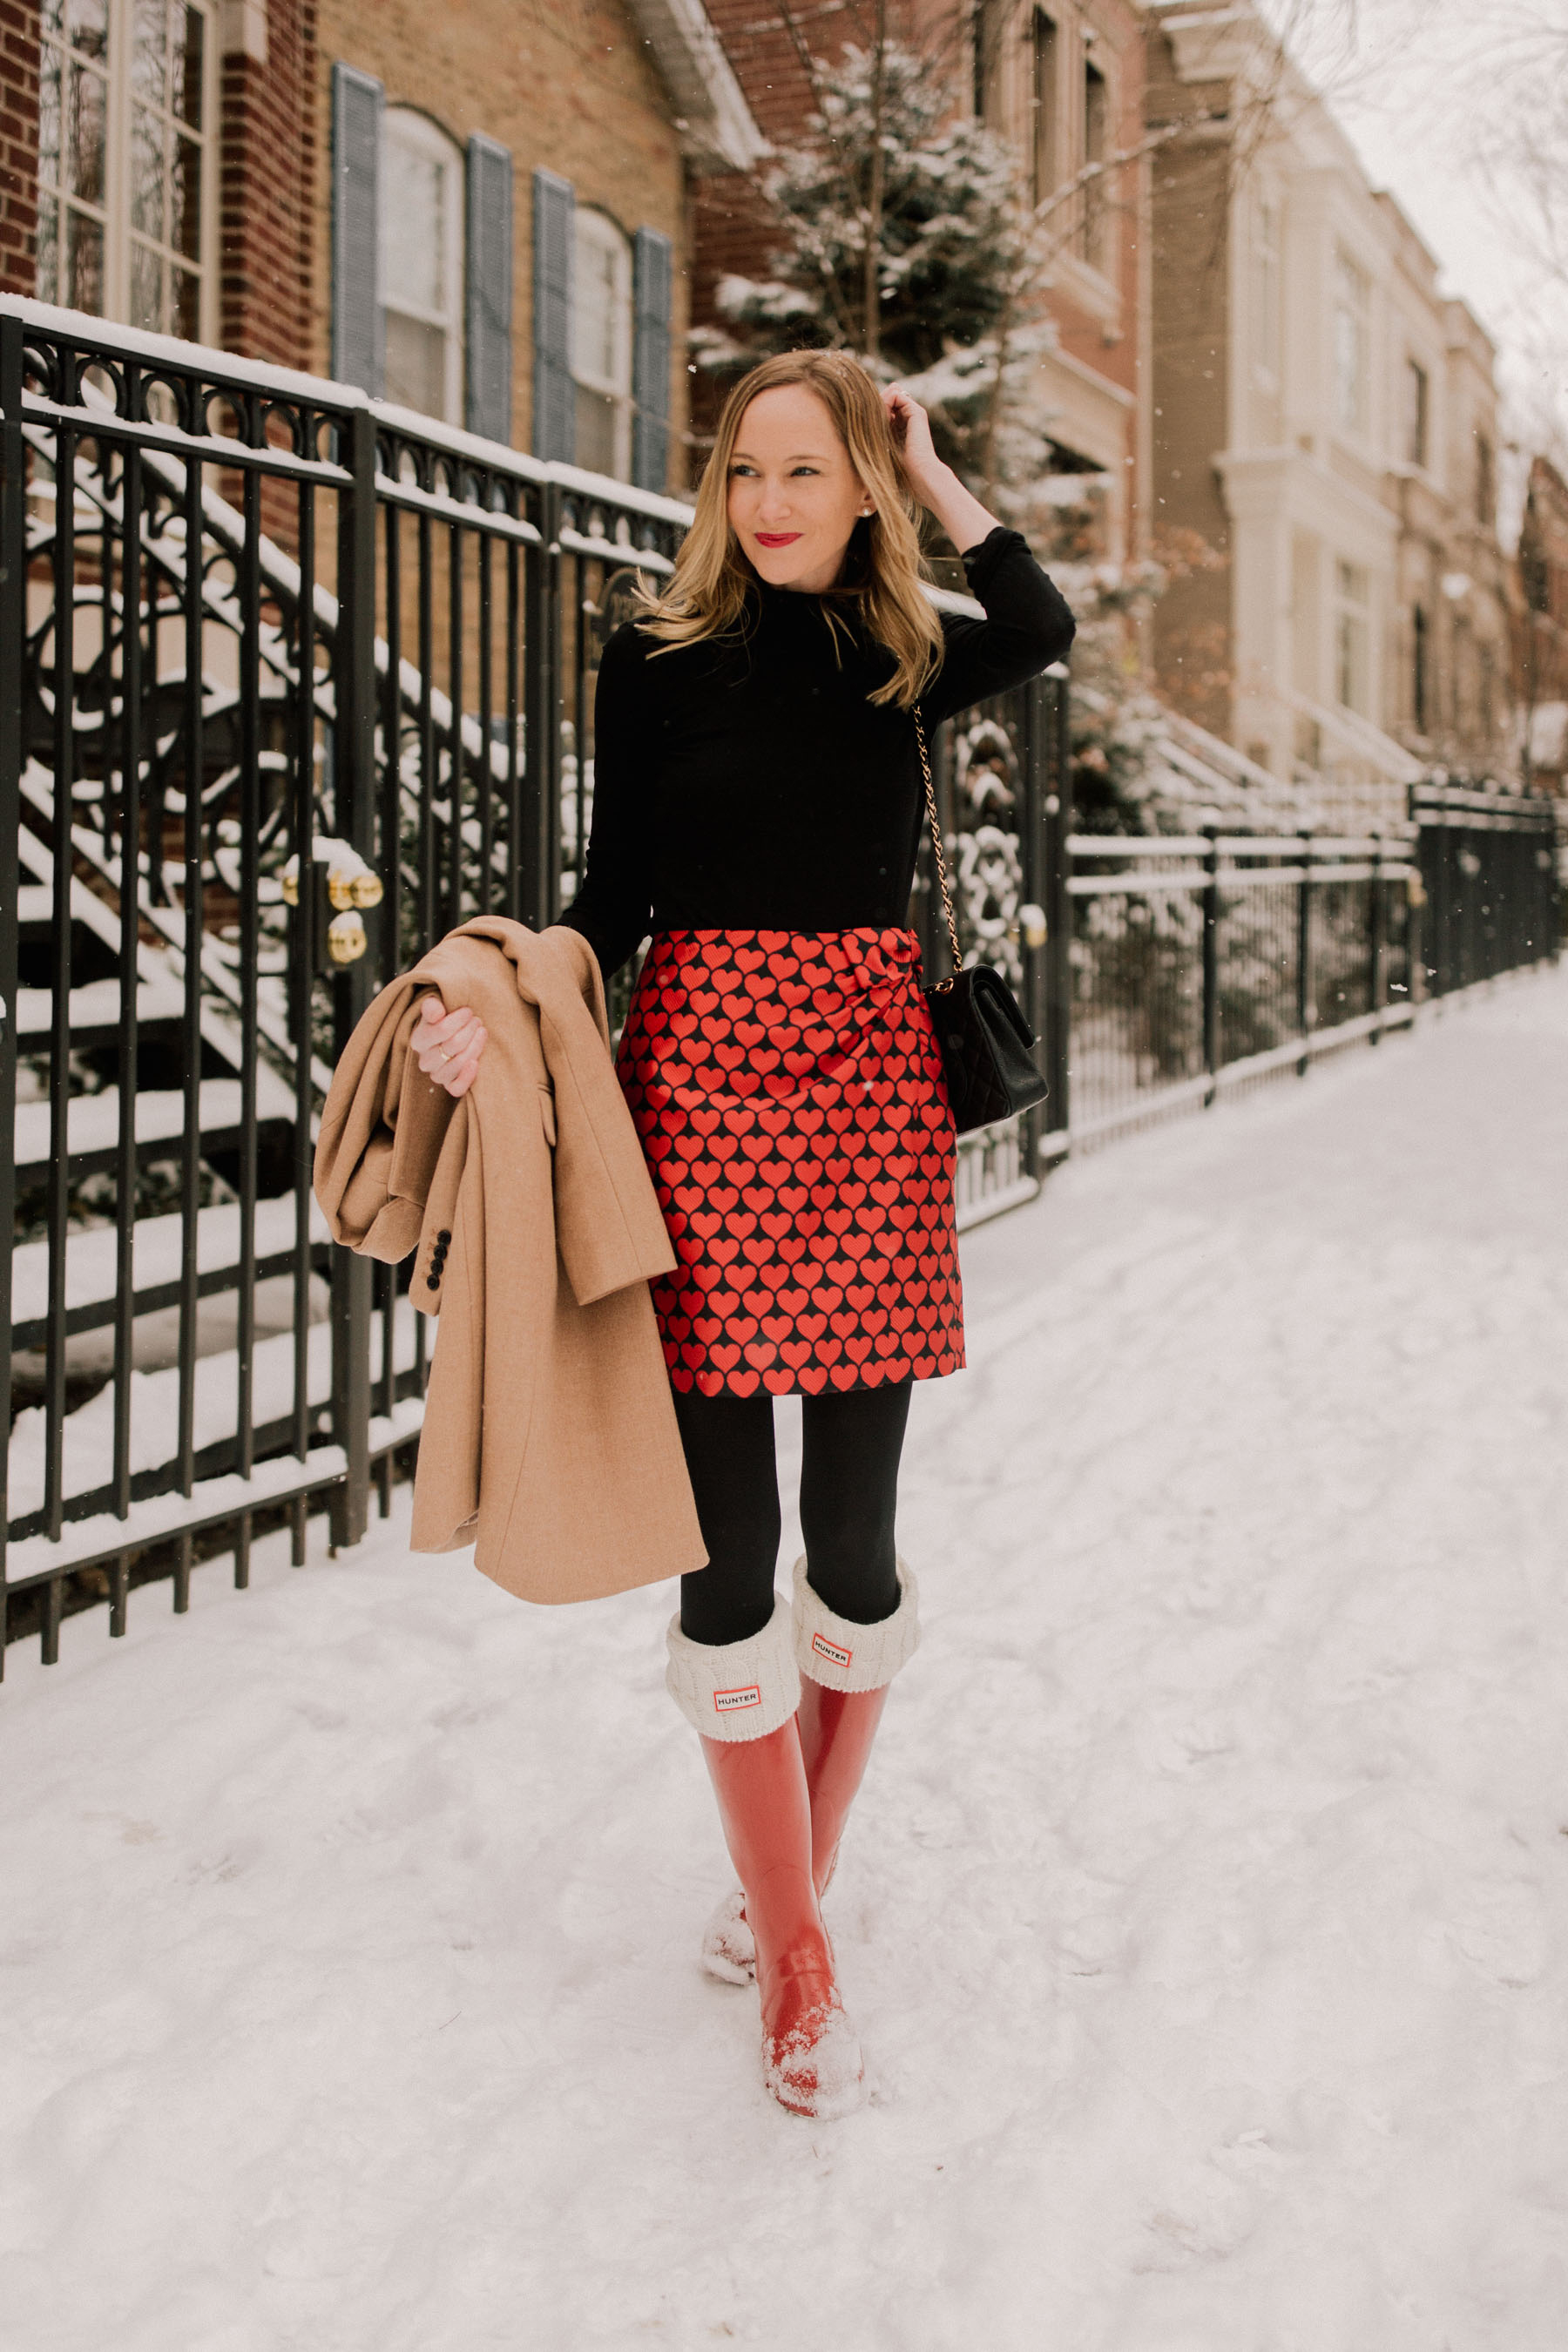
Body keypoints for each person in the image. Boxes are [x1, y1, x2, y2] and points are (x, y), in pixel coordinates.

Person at [411, 350, 1074, 2119]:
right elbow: (606, 898)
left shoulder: (906, 654)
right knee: (730, 1563)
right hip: (698, 1103)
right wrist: (496, 1011)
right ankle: (797, 1959)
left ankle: (788, 1882)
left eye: (808, 467)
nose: (770, 497)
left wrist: (932, 465)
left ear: (854, 486)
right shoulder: (656, 661)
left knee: (851, 1558)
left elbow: (1044, 611)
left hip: (870, 1108)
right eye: (746, 468)